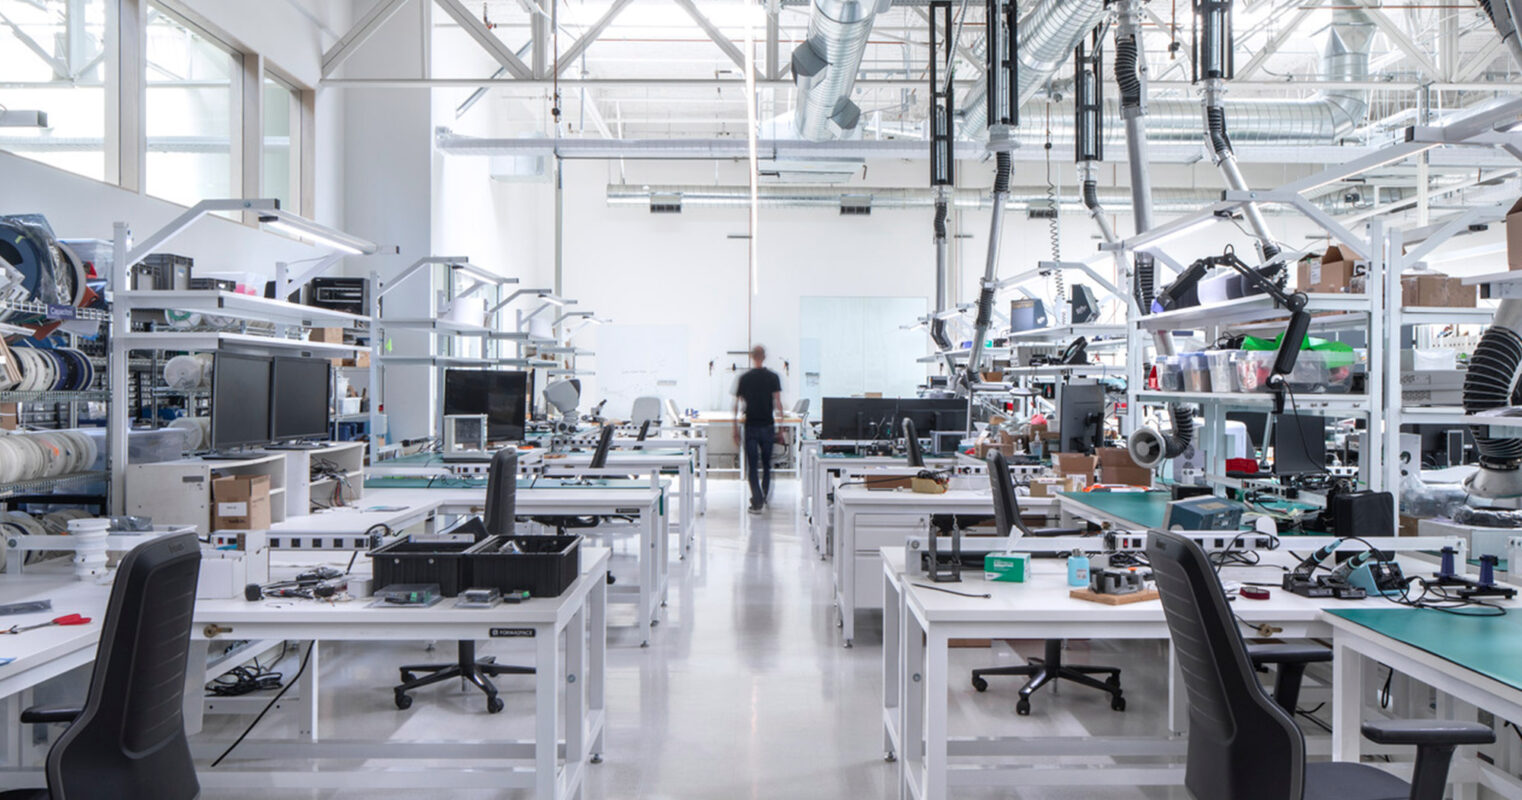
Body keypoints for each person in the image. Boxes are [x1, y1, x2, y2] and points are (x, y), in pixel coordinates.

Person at [733, 345, 783, 514]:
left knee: (752, 466)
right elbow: (778, 403)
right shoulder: (773, 377)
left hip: (751, 426)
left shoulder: (745, 378)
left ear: (752, 357)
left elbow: (736, 405)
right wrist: (781, 428)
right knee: (767, 464)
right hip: (768, 426)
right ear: (764, 357)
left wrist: (734, 428)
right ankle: (763, 496)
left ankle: (757, 501)